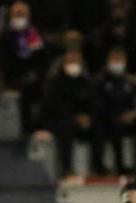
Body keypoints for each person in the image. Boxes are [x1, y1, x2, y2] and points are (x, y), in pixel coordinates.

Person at [38, 49, 104, 178]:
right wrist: (74, 117)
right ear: (63, 63)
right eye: (70, 61)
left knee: (98, 128)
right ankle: (66, 168)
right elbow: (53, 106)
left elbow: (94, 103)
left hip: (82, 120)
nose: (73, 64)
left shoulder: (86, 82)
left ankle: (98, 167)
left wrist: (87, 117)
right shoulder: (54, 82)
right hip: (59, 120)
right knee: (66, 128)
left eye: (76, 61)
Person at [95, 47, 136, 175]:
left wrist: (132, 113)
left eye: (120, 60)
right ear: (108, 62)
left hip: (126, 117)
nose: (118, 63)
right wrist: (116, 115)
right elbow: (99, 105)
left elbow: (132, 101)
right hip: (108, 118)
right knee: (115, 126)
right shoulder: (101, 80)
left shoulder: (127, 81)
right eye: (115, 60)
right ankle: (120, 166)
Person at [0, 1, 46, 134]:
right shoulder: (5, 36)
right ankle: (27, 130)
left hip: (32, 75)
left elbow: (41, 58)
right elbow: (2, 62)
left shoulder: (33, 35)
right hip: (13, 76)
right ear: (11, 16)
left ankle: (42, 127)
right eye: (17, 14)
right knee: (27, 92)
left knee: (45, 89)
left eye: (23, 14)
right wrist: (21, 72)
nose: (20, 17)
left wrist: (35, 72)